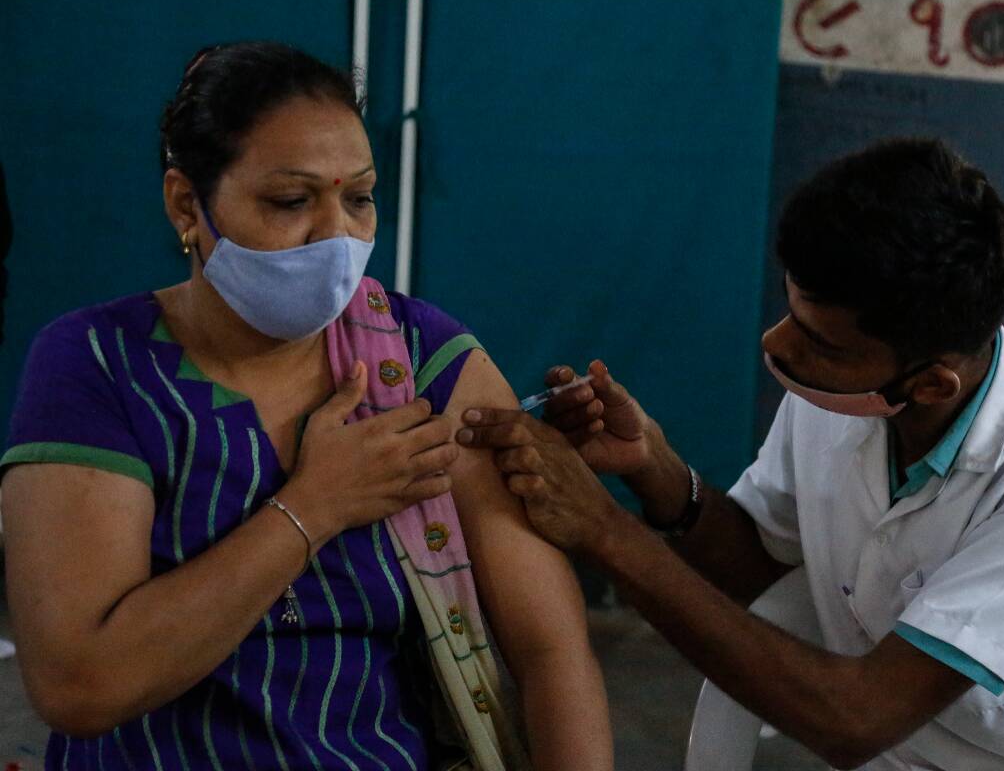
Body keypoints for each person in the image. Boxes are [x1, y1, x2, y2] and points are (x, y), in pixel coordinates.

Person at [0, 42, 612, 771]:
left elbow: (550, 652)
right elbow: (80, 685)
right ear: (187, 204)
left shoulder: (424, 364)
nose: (336, 238)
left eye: (359, 198)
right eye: (291, 202)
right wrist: (313, 507)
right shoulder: (98, 365)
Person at [457, 138, 1004, 770]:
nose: (778, 343)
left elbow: (853, 721)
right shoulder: (847, 396)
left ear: (931, 384)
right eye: (792, 310)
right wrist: (655, 471)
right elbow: (761, 571)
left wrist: (604, 531)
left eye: (820, 341)